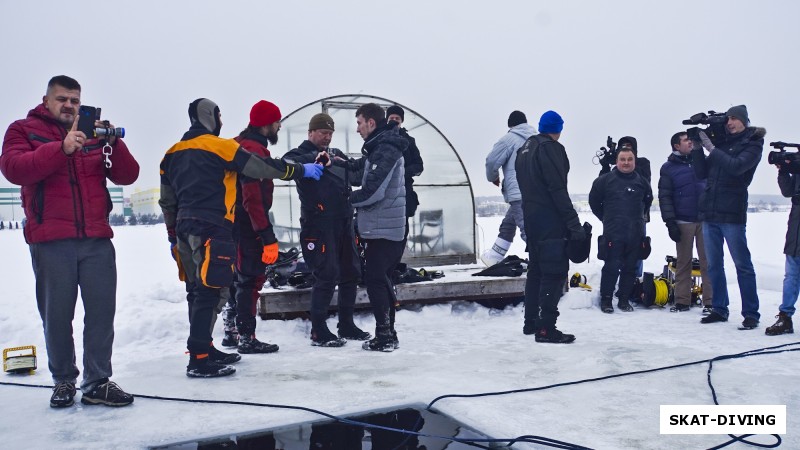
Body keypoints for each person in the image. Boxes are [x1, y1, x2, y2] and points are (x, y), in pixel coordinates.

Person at [0, 75, 138, 407]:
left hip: (96, 239)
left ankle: (97, 380)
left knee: (102, 313)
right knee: (58, 315)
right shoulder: (23, 130)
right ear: (46, 100)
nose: (69, 105)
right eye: (62, 99)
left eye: (75, 100)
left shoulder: (94, 136)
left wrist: (112, 142)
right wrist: (61, 149)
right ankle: (64, 380)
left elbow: (127, 175)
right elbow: (14, 168)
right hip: (51, 240)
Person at [159, 98, 323, 377]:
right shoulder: (222, 147)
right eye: (219, 115)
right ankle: (199, 359)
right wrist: (300, 170)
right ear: (210, 117)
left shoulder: (172, 153)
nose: (222, 122)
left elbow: (167, 201)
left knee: (197, 291)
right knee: (212, 291)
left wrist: (173, 235)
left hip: (186, 230)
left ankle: (205, 347)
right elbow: (261, 168)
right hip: (215, 228)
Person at [282, 113, 371, 347]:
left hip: (343, 222)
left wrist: (337, 161)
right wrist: (315, 160)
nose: (327, 137)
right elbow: (285, 164)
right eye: (323, 133)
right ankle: (318, 330)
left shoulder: (337, 155)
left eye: (330, 134)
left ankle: (346, 324)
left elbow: (356, 176)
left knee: (351, 272)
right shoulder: (299, 154)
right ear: (311, 132)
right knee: (327, 273)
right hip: (318, 225)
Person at [339, 103, 407, 352]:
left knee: (377, 280)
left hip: (383, 230)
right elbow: (361, 173)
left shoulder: (385, 148)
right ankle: (388, 333)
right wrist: (339, 163)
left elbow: (372, 191)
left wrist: (345, 199)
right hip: (383, 227)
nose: (357, 129)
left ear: (371, 123)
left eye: (359, 123)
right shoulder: (379, 147)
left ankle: (385, 336)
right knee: (382, 280)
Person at [222, 100, 287, 354]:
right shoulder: (254, 151)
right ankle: (247, 336)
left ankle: (232, 330)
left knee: (234, 277)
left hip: (227, 222)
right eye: (276, 122)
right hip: (247, 224)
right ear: (266, 124)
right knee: (250, 278)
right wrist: (266, 234)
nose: (279, 126)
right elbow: (252, 197)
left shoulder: (236, 144)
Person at [693, 105, 765, 329]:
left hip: (732, 213)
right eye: (728, 120)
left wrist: (711, 147)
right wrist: (697, 146)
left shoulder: (752, 144)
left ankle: (751, 313)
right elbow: (700, 173)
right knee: (713, 264)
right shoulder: (722, 143)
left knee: (742, 265)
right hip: (710, 212)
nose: (730, 123)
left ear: (744, 121)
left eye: (734, 119)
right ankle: (719, 308)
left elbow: (736, 167)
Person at [515, 110, 582, 343]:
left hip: (531, 220)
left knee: (536, 272)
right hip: (549, 222)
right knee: (553, 273)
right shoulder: (551, 148)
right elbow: (557, 189)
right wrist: (573, 224)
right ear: (559, 129)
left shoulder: (525, 149)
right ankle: (546, 328)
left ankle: (531, 322)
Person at [590, 147, 653, 313]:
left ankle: (624, 299)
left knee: (630, 267)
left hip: (635, 232)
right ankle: (606, 300)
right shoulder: (605, 181)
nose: (626, 163)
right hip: (613, 232)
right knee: (611, 267)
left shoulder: (642, 181)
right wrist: (606, 218)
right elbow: (594, 201)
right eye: (623, 159)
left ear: (634, 161)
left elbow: (647, 201)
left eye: (629, 159)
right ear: (617, 161)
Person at [658, 132, 713, 313]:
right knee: (683, 263)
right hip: (683, 220)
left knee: (708, 262)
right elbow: (665, 196)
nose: (690, 142)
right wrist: (670, 222)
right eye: (685, 140)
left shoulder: (702, 161)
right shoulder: (668, 168)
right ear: (676, 146)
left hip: (705, 219)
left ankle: (710, 302)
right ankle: (682, 301)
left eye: (690, 140)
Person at [481, 110, 537, 266]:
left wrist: (493, 177)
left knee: (527, 228)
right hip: (536, 191)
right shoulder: (536, 139)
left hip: (519, 192)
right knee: (509, 223)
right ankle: (495, 256)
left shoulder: (509, 139)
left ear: (511, 125)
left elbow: (491, 161)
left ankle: (540, 262)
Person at [766, 158, 800, 335]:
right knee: (791, 275)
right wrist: (783, 171)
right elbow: (788, 191)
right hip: (796, 227)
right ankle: (785, 317)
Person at [386, 105, 424, 227]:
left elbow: (419, 166)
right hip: (384, 191)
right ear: (387, 120)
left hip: (404, 190)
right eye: (391, 117)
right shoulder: (380, 138)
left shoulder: (409, 141)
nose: (394, 120)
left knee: (402, 228)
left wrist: (401, 172)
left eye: (397, 118)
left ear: (401, 120)